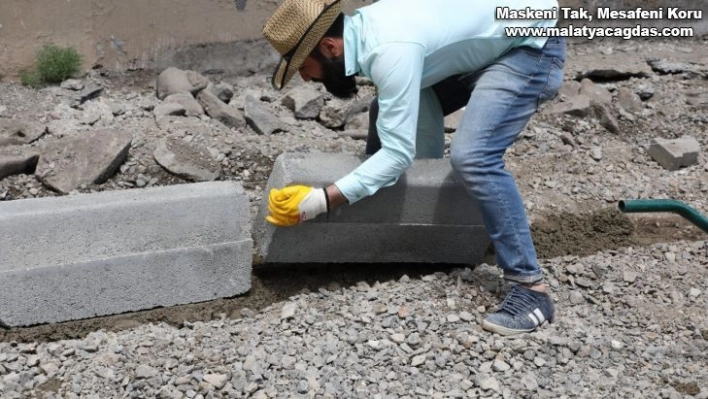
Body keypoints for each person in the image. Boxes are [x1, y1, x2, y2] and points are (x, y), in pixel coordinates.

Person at [262, 0, 565, 335]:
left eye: (303, 66)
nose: (304, 78)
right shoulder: (370, 32)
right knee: (388, 112)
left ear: (329, 47)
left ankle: (530, 290)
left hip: (530, 45)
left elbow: (397, 156)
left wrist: (321, 200)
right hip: (493, 39)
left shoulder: (390, 49)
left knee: (473, 157)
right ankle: (427, 234)